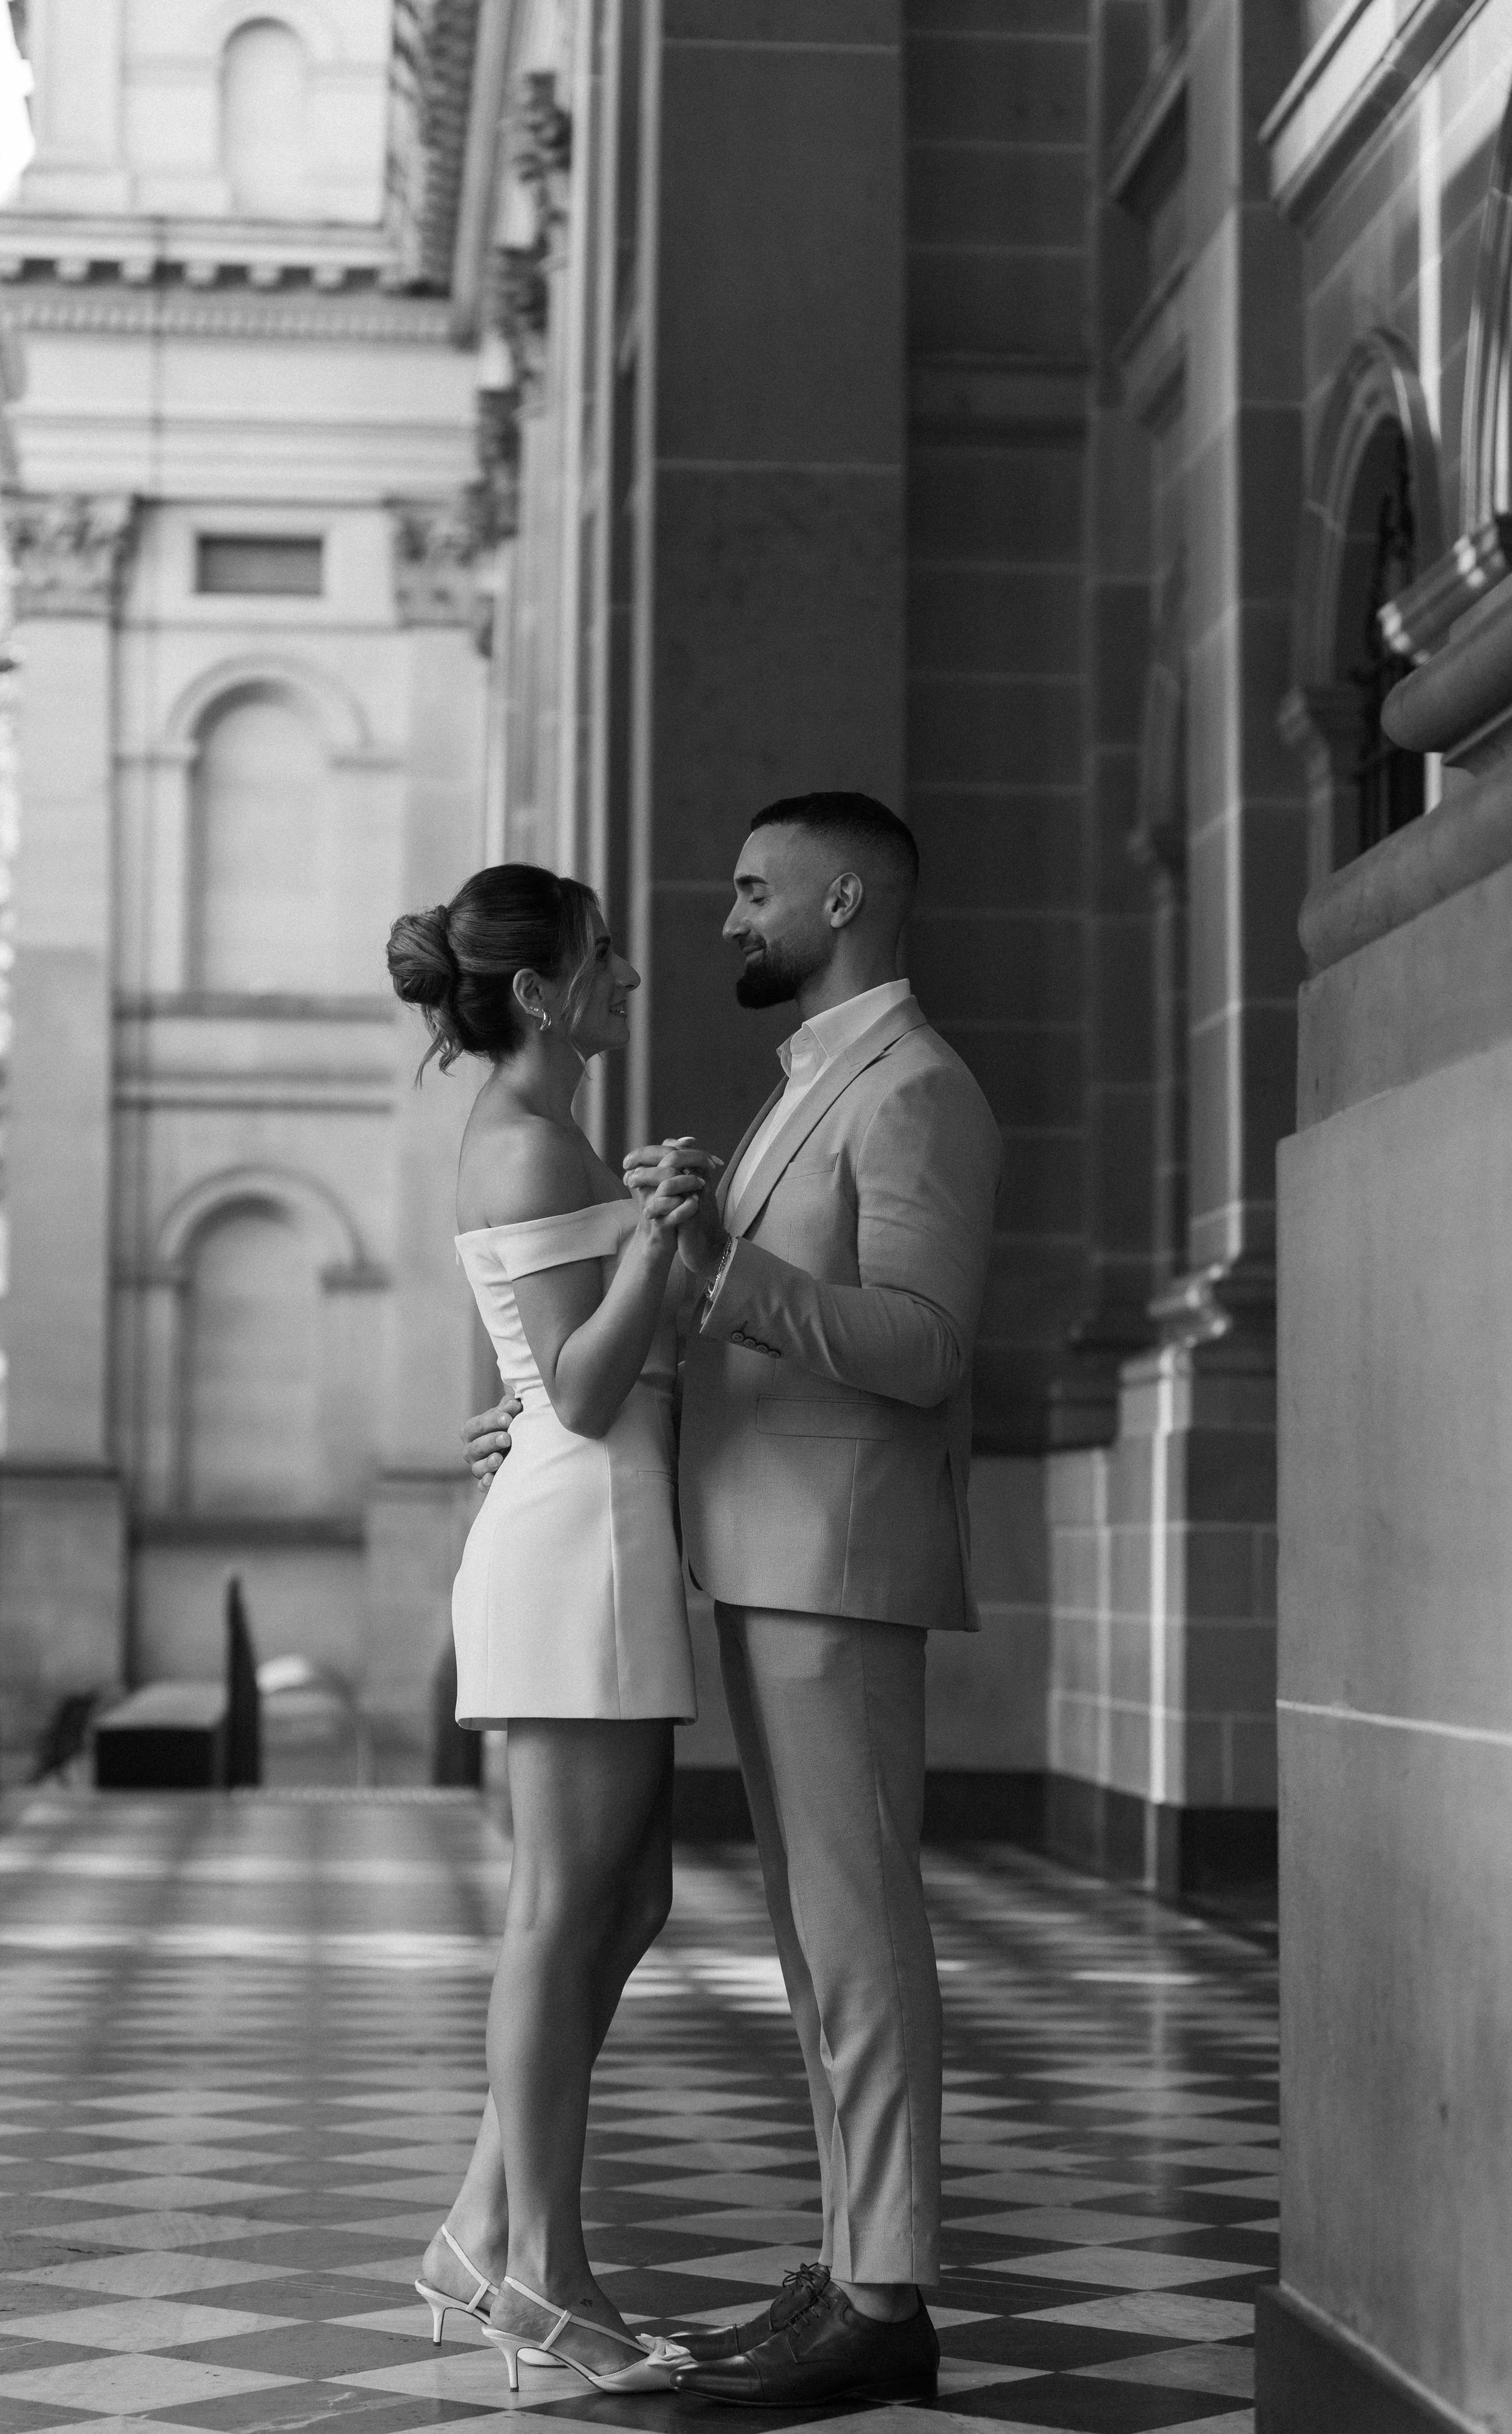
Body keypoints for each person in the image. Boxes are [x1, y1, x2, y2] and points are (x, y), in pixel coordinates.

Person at [465, 794, 1002, 2407]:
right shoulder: (802, 1088)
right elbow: (695, 1332)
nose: (724, 922)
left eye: (753, 890)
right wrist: (579, 1388)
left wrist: (711, 1267)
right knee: (811, 1938)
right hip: (762, 1553)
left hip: (834, 1560)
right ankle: (854, 2264)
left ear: (845, 896)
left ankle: (884, 2292)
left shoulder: (914, 1090)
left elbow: (920, 1345)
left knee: (856, 1932)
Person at [387, 864, 700, 2396]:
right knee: (563, 1908)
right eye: (602, 959)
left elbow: (554, 1375)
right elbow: (578, 1384)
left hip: (597, 1520)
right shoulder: (522, 1139)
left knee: (625, 1893)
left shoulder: (545, 1130)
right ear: (538, 992)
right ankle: (545, 2277)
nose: (629, 976)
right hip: (575, 1528)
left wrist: (642, 1256)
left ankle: (472, 2226)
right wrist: (659, 1236)